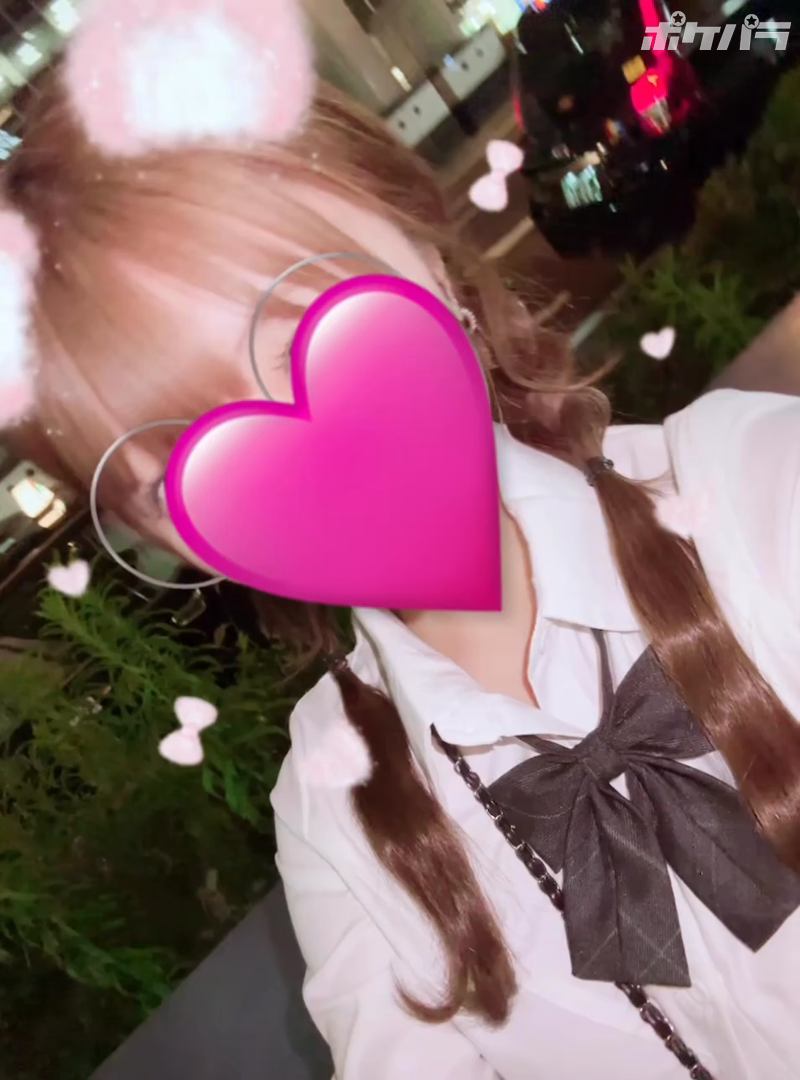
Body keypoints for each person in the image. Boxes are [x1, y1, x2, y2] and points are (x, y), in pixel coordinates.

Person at [1, 2, 799, 1077]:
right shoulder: (338, 818)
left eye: (311, 330)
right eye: (188, 454)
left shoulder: (751, 488)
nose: (318, 460)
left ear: (425, 252)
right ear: (167, 533)